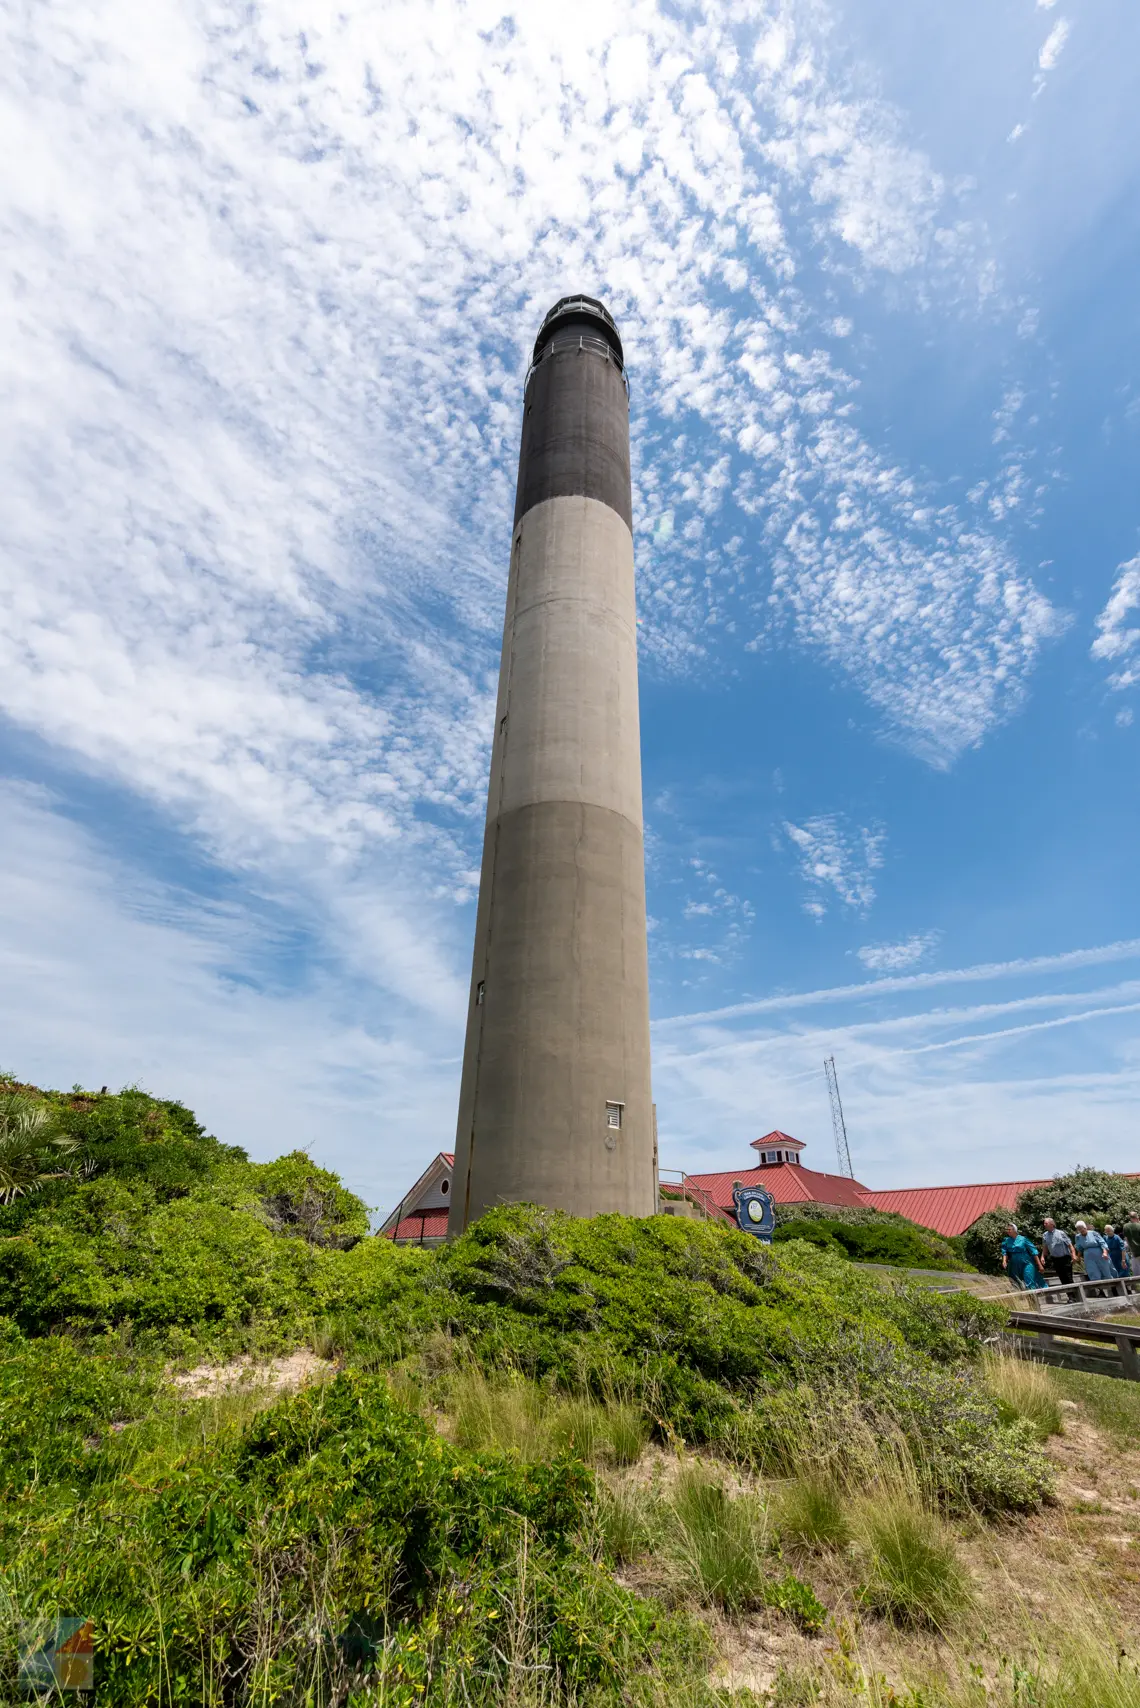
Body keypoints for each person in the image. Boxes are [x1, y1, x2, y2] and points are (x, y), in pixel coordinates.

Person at [1001, 1222, 1047, 1290]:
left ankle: (1033, 1298)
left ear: (1014, 1230)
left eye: (1009, 1229)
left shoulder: (1023, 1239)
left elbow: (1033, 1251)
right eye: (1007, 1230)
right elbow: (1004, 1251)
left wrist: (1039, 1265)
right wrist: (1004, 1261)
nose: (1008, 1231)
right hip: (1014, 1264)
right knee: (1016, 1282)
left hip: (1026, 1262)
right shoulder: (1007, 1240)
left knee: (1029, 1280)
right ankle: (1023, 1299)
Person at [1040, 1216, 1076, 1287]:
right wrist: (1042, 1257)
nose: (1044, 1225)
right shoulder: (1045, 1235)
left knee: (1068, 1277)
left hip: (1065, 1258)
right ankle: (1070, 1296)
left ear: (1052, 1224)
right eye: (1044, 1223)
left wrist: (1074, 1255)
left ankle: (1074, 1296)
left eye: (1046, 1223)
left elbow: (1070, 1245)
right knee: (1062, 1278)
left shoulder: (1061, 1233)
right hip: (1055, 1259)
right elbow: (1045, 1248)